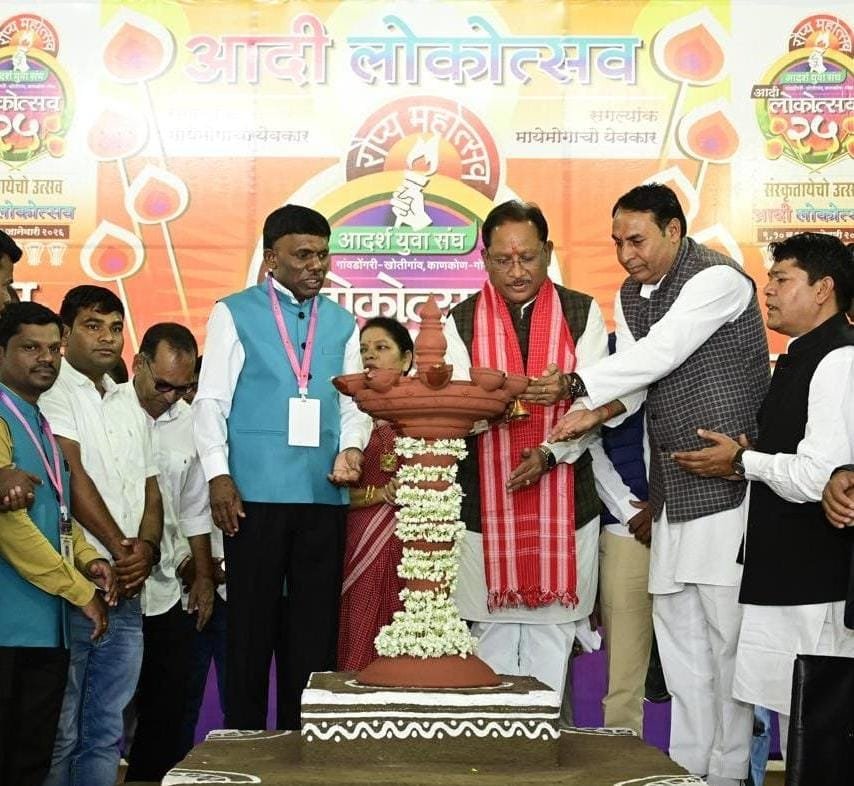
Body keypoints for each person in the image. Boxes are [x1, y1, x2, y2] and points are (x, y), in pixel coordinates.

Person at [549, 183, 770, 785]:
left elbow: (664, 351)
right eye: (617, 242)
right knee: (680, 643)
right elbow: (640, 378)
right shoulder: (630, 293)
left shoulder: (718, 279)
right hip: (669, 490)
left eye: (637, 240)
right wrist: (594, 412)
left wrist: (577, 386)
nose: (626, 255)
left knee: (727, 640)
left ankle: (729, 771)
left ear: (674, 230)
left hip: (726, 485)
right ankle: (691, 768)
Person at [671, 232, 854, 758]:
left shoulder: (837, 359)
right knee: (795, 723)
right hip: (788, 571)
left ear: (822, 289)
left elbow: (820, 476)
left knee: (816, 732)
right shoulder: (802, 356)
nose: (767, 290)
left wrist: (742, 462)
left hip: (815, 578)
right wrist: (752, 458)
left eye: (781, 279)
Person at [193, 204, 371, 730]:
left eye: (323, 255)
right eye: (303, 255)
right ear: (271, 258)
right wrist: (218, 475)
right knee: (250, 627)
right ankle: (245, 741)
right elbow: (211, 401)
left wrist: (352, 448)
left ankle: (304, 742)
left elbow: (354, 403)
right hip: (254, 495)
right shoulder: (234, 312)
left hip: (322, 494)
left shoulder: (342, 321)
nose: (316, 266)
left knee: (314, 630)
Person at [443, 199, 628, 698]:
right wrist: (498, 408)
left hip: (568, 505)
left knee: (552, 644)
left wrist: (549, 453)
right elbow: (455, 409)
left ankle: (543, 739)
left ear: (548, 252)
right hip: (482, 506)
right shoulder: (460, 320)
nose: (517, 271)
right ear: (484, 259)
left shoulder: (581, 311)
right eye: (503, 260)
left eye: (527, 257)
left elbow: (594, 402)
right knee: (488, 645)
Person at [42, 286, 163, 786]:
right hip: (78, 579)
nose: (107, 338)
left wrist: (146, 552)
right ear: (65, 333)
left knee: (107, 729)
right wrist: (118, 548)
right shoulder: (53, 391)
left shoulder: (127, 400)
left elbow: (152, 489)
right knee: (62, 727)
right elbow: (71, 476)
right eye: (93, 326)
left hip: (129, 585)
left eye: (115, 328)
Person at [0, 302, 113, 786]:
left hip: (46, 628)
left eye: (53, 348)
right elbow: (12, 529)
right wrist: (78, 590)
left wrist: (87, 560)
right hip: (9, 627)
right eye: (31, 348)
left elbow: (58, 512)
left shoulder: (40, 420)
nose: (46, 358)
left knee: (32, 762)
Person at [124, 323, 215, 782]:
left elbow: (195, 509)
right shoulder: (108, 411)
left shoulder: (191, 422)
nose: (172, 397)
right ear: (138, 364)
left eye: (184, 388)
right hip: (113, 581)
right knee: (103, 708)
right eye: (163, 385)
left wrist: (204, 576)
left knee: (166, 708)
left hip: (167, 589)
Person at [338, 316, 412, 671]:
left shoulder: (424, 415)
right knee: (358, 625)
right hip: (358, 541)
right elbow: (332, 489)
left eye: (381, 348)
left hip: (413, 547)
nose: (370, 356)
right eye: (364, 349)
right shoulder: (346, 414)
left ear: (407, 359)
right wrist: (380, 493)